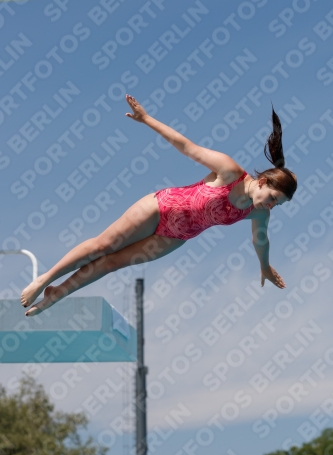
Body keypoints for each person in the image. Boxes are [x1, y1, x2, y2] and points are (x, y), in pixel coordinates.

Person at [21, 95, 297, 317]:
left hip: (176, 236)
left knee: (112, 263)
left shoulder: (257, 211)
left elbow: (260, 239)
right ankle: (44, 279)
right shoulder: (229, 170)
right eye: (274, 198)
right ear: (262, 183)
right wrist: (147, 119)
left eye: (278, 205)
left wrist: (264, 266)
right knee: (103, 246)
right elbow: (186, 146)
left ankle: (56, 294)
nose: (272, 206)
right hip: (161, 207)